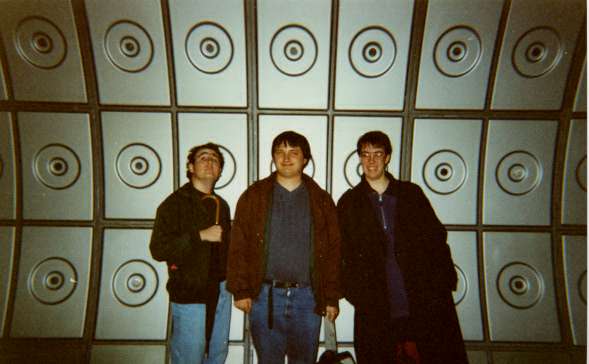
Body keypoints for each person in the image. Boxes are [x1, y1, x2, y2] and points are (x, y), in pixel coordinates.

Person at [337, 131, 467, 364]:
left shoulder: (410, 194)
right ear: (359, 158)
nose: (371, 161)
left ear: (387, 157)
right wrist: (356, 293)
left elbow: (436, 239)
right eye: (365, 155)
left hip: (421, 297)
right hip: (376, 303)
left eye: (377, 154)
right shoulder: (349, 202)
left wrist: (443, 282)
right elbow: (342, 252)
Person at [227, 131, 342, 364]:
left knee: (304, 361)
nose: (286, 157)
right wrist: (240, 290)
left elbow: (333, 251)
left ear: (305, 159)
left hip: (308, 298)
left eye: (294, 152)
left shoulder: (321, 199)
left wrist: (331, 297)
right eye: (280, 152)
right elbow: (238, 243)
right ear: (273, 157)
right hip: (264, 297)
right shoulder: (254, 196)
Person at [150, 143, 232, 364]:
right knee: (189, 357)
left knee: (216, 355)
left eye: (215, 159)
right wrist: (200, 236)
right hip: (190, 293)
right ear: (191, 167)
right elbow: (158, 249)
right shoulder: (173, 204)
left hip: (220, 292)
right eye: (203, 157)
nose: (209, 162)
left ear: (220, 170)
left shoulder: (222, 205)